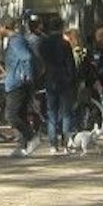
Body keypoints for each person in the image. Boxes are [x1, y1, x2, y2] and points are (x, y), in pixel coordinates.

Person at [33, 15, 76, 153]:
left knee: (52, 112)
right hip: (64, 79)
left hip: (50, 79)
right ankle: (66, 142)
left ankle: (53, 143)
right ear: (61, 27)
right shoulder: (65, 44)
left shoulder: (43, 44)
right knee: (66, 112)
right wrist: (72, 78)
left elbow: (40, 62)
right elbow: (70, 64)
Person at [0, 17, 41, 157]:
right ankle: (23, 147)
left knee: (11, 115)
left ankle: (31, 137)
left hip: (17, 83)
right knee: (21, 114)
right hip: (16, 81)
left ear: (5, 27)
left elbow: (27, 57)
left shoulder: (16, 40)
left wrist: (26, 76)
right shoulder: (15, 40)